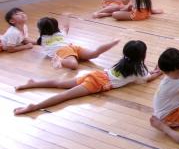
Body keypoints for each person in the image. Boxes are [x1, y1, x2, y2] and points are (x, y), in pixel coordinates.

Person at [13, 40, 161, 115]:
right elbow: (148, 78)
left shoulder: (123, 62)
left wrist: (153, 72)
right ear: (142, 56)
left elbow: (145, 75)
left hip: (96, 75)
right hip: (97, 83)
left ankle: (33, 83)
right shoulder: (139, 69)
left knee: (59, 84)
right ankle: (35, 106)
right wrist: (159, 72)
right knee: (66, 95)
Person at [36, 16, 119, 70]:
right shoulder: (60, 33)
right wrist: (66, 17)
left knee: (74, 65)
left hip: (63, 51)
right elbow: (66, 27)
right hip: (72, 48)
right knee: (94, 54)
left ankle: (59, 60)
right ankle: (112, 43)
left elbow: (31, 42)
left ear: (41, 30)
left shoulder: (42, 39)